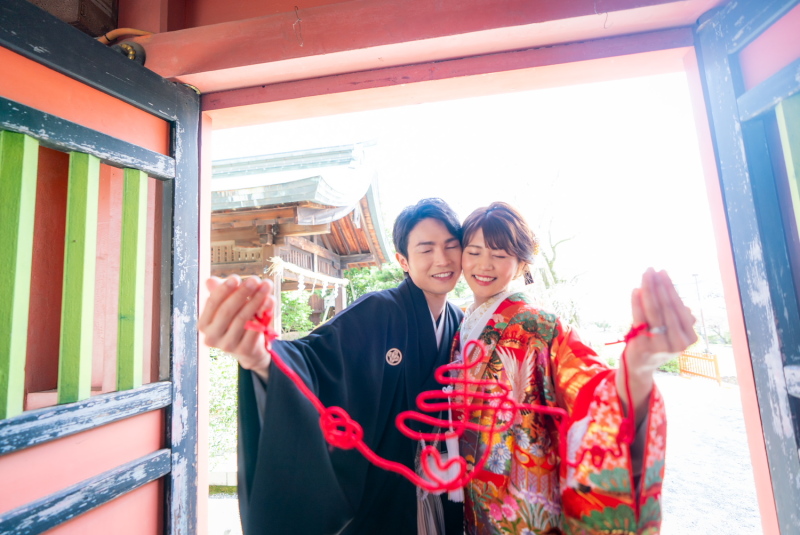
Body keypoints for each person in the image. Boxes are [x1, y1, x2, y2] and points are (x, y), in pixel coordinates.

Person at [198, 198, 466, 535]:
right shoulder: (378, 311)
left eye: (450, 246)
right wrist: (262, 358)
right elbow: (317, 363)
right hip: (387, 501)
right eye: (426, 249)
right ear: (403, 260)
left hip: (446, 489)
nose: (441, 259)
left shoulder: (461, 322)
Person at [451, 202, 697, 534]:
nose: (483, 265)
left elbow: (592, 393)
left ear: (522, 262)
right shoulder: (463, 322)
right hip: (471, 494)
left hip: (522, 504)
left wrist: (636, 369)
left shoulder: (540, 325)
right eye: (474, 252)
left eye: (499, 255)